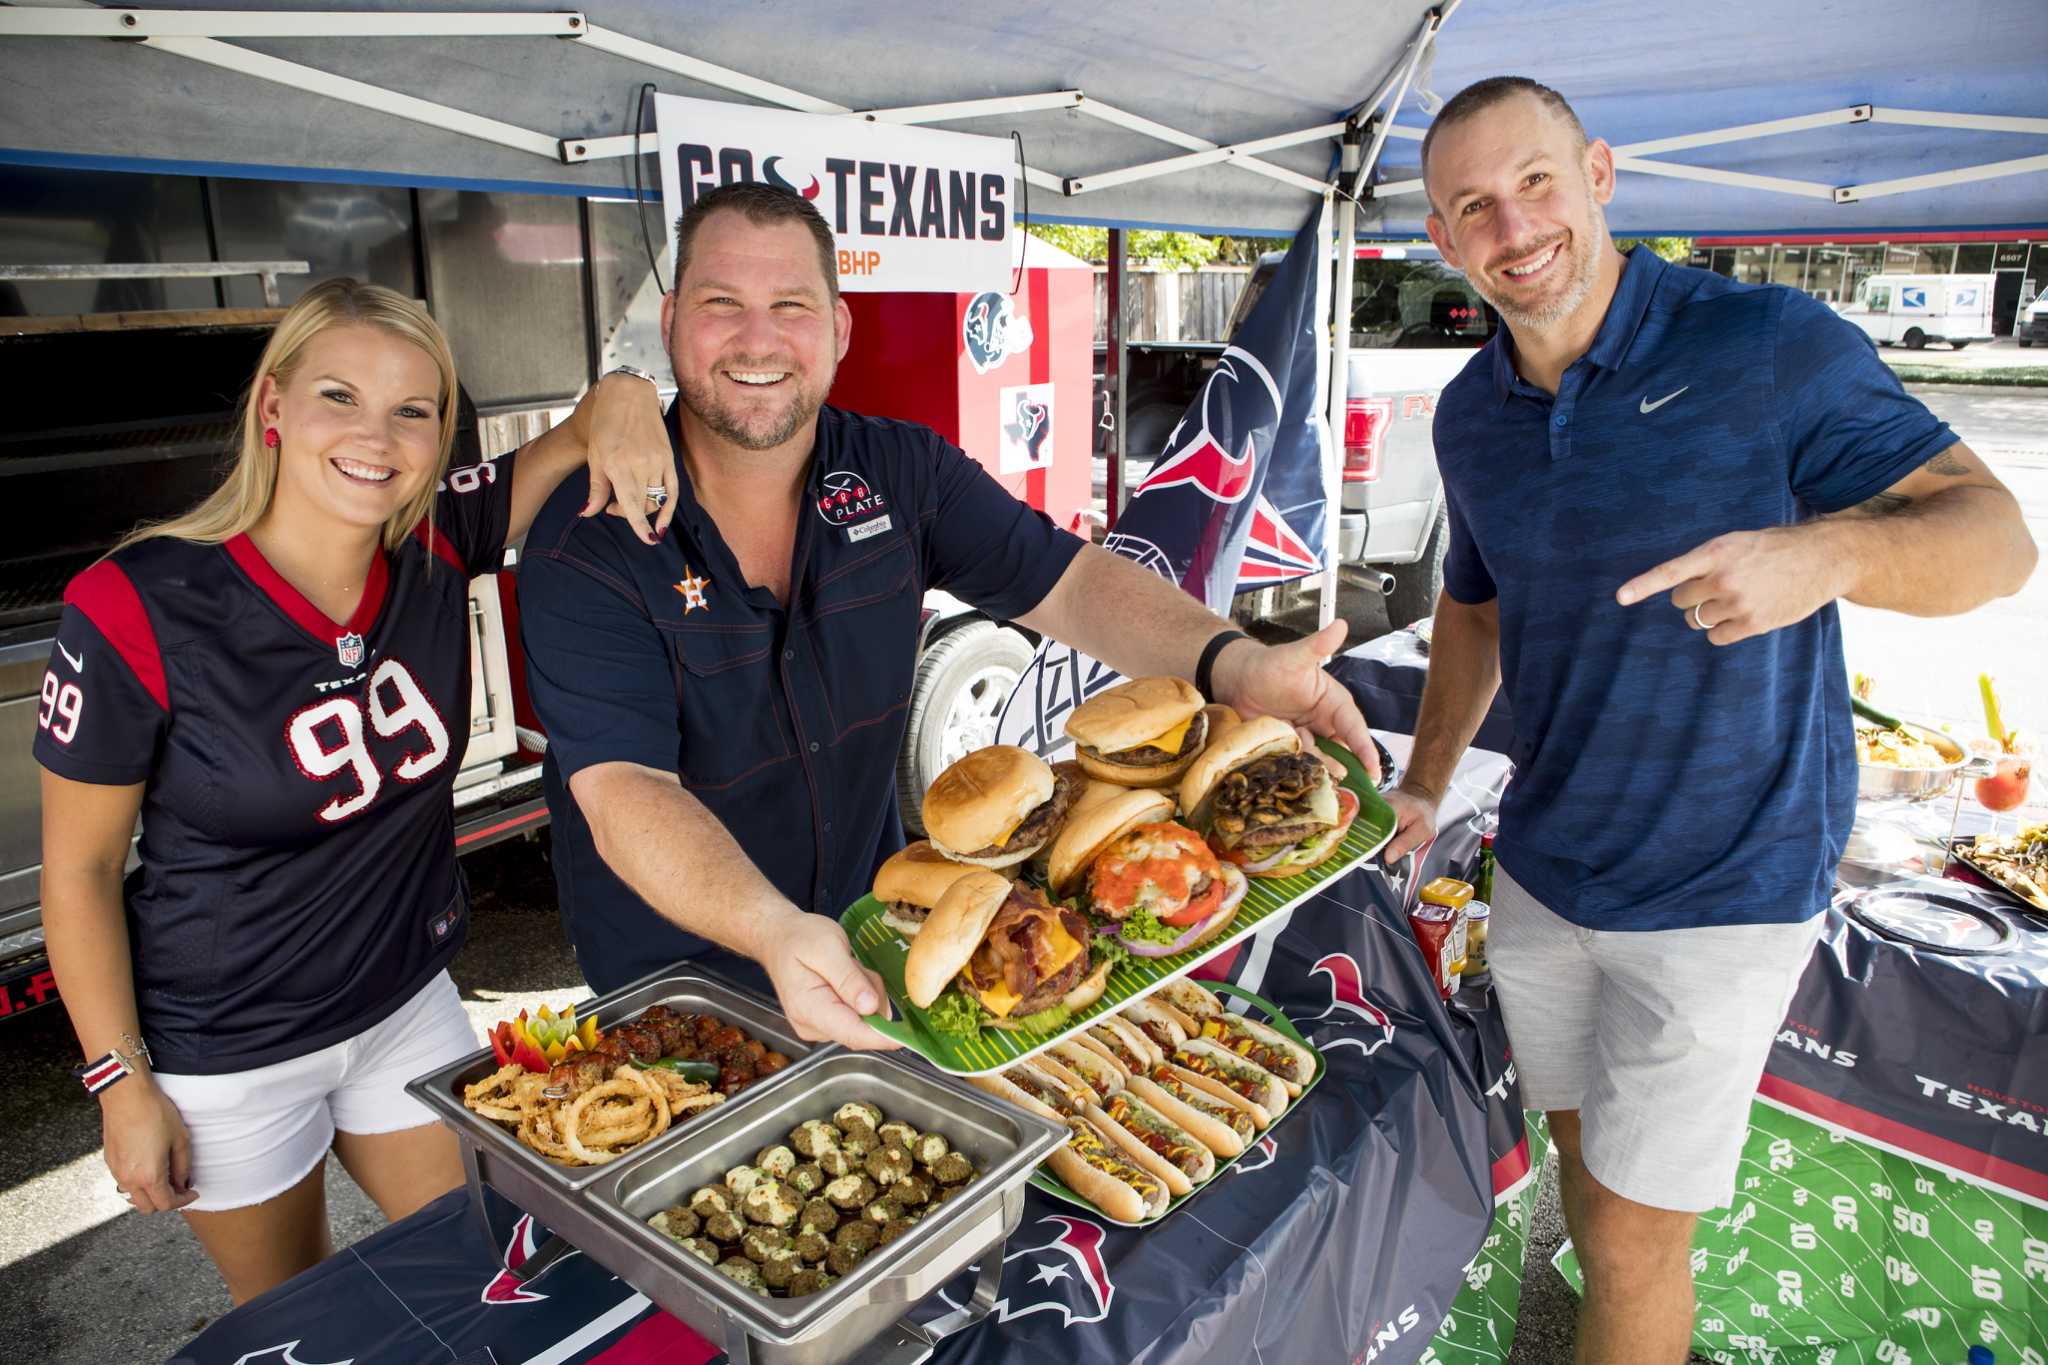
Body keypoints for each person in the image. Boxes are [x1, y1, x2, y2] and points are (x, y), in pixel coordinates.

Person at [1382, 78, 2037, 1365]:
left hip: (1724, 882)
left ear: (1599, 174)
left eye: (1533, 184)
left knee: (1629, 1242)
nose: (1513, 228)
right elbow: (1471, 611)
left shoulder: (1762, 345)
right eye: (1472, 208)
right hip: (1548, 868)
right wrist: (1423, 781)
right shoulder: (1469, 414)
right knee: (1584, 1193)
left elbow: (1997, 541)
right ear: (1444, 242)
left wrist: (1827, 556)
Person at [518, 182, 1376, 1047]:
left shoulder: (901, 471)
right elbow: (625, 791)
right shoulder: (586, 538)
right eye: (720, 304)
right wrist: (775, 930)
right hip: (681, 1006)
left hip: (881, 959)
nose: (759, 339)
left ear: (840, 329)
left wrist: (1236, 664)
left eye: (793, 305)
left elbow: (1071, 583)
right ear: (669, 321)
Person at [35, 278, 671, 1303]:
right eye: (339, 396)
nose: (375, 436)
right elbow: (80, 867)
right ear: (273, 408)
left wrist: (632, 387)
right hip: (231, 1048)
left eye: (412, 411)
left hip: (403, 1008)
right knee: (310, 1319)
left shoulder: (432, 542)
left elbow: (592, 424)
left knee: (496, 1275)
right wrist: (120, 1084)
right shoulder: (136, 603)